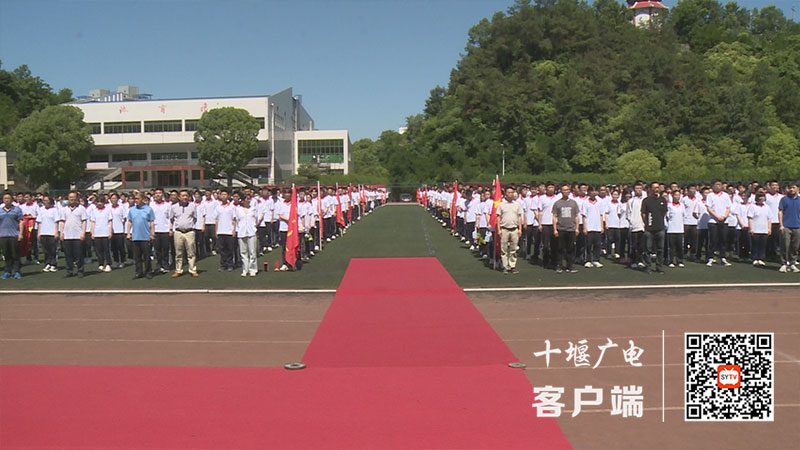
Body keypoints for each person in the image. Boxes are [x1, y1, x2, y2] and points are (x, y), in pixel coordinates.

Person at [126, 192, 155, 279]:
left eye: (138, 199)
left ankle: (148, 271)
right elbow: (129, 222)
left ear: (142, 199)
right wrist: (128, 233)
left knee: (146, 256)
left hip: (145, 236)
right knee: (137, 257)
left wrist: (152, 234)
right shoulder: (132, 210)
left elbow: (152, 222)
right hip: (135, 237)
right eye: (135, 199)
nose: (136, 200)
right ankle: (138, 272)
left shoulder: (148, 209)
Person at [170, 189, 198, 278]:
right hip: (178, 232)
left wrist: (189, 225)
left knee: (191, 252)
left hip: (189, 232)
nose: (185, 197)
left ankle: (192, 269)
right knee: (178, 253)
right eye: (183, 196)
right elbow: (171, 219)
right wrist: (171, 229)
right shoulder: (174, 207)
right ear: (179, 197)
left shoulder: (192, 206)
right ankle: (178, 270)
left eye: (186, 195)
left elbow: (195, 218)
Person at [59, 191, 87, 278]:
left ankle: (80, 270)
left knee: (79, 254)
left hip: (77, 235)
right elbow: (62, 222)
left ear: (76, 199)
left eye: (73, 197)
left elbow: (84, 221)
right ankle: (69, 271)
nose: (72, 199)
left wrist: (83, 233)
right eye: (70, 197)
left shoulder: (81, 208)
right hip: (67, 235)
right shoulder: (64, 209)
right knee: (68, 255)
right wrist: (61, 233)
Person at [641, 181, 667, 274]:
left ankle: (659, 266)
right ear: (651, 189)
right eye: (655, 187)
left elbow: (664, 213)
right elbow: (643, 214)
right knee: (648, 249)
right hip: (649, 229)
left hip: (660, 228)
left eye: (658, 187)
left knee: (660, 249)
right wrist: (647, 224)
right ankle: (648, 266)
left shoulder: (663, 200)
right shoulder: (646, 201)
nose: (657, 189)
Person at [496, 186, 523, 274]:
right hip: (504, 229)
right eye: (509, 193)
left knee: (513, 248)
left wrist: (520, 229)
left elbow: (519, 217)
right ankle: (505, 266)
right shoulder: (501, 205)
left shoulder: (517, 205)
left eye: (512, 192)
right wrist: (499, 229)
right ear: (505, 194)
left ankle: (512, 266)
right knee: (504, 249)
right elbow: (498, 217)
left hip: (514, 229)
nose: (511, 194)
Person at [553, 183, 579, 273]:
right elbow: (555, 216)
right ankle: (559, 265)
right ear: (561, 191)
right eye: (564, 190)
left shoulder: (573, 203)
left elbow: (576, 216)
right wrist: (555, 229)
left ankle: (570, 266)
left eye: (567, 190)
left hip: (571, 228)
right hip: (561, 228)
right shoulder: (557, 203)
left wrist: (577, 228)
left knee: (570, 248)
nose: (566, 192)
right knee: (560, 248)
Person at [706, 180, 732, 267]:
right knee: (713, 240)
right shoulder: (710, 195)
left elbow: (728, 208)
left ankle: (722, 258)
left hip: (724, 221)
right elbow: (709, 208)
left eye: (719, 185)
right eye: (716, 184)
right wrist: (717, 217)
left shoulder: (725, 195)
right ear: (713, 186)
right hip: (713, 221)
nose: (718, 186)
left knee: (723, 240)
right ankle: (710, 257)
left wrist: (724, 216)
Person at [235, 192, 260, 277]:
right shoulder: (238, 209)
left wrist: (253, 227)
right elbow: (236, 220)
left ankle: (252, 269)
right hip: (241, 232)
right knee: (243, 252)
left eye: (249, 199)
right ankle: (245, 269)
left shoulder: (253, 209)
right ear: (242, 200)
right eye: (246, 199)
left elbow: (256, 220)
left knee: (252, 252)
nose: (247, 200)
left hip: (251, 232)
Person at [0, 192, 24, 279]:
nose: (7, 200)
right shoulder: (0, 210)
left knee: (15, 254)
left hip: (14, 235)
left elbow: (21, 222)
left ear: (11, 200)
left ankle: (17, 271)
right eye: (5, 198)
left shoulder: (17, 209)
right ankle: (7, 271)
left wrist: (20, 233)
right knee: (6, 254)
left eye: (8, 198)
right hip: (3, 236)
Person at [777, 182, 800, 273]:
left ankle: (792, 263)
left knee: (795, 246)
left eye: (793, 188)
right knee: (785, 245)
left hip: (797, 226)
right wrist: (781, 224)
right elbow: (780, 211)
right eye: (790, 188)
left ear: (797, 189)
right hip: (786, 226)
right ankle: (783, 263)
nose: (791, 190)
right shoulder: (784, 199)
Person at [580, 186, 605, 268]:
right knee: (588, 245)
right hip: (589, 227)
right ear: (589, 192)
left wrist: (602, 226)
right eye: (592, 191)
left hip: (597, 227)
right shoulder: (585, 202)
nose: (594, 193)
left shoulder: (600, 202)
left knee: (597, 245)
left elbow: (601, 215)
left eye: (595, 191)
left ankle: (596, 260)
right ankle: (587, 260)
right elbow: (584, 216)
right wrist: (584, 227)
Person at [150, 188, 172, 274]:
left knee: (165, 249)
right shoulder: (151, 205)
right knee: (157, 249)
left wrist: (170, 229)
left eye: (160, 193)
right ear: (154, 195)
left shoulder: (167, 205)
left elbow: (171, 218)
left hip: (165, 230)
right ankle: (159, 265)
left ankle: (166, 265)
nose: (158, 195)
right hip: (155, 230)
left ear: (162, 194)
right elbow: (150, 219)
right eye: (156, 193)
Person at [36, 195, 60, 272]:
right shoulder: (41, 210)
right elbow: (39, 222)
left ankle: (53, 264)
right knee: (45, 250)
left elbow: (56, 222)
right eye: (44, 201)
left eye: (46, 200)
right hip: (43, 233)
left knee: (52, 250)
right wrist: (39, 232)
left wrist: (56, 232)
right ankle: (47, 263)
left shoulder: (54, 210)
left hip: (51, 233)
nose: (45, 202)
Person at [747, 192, 771, 267]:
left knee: (763, 245)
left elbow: (769, 219)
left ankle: (761, 258)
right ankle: (755, 258)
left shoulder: (767, 207)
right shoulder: (752, 206)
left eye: (762, 196)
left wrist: (769, 228)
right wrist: (751, 228)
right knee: (755, 244)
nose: (761, 198)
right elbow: (750, 218)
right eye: (759, 196)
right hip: (755, 229)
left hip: (764, 229)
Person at [215, 189, 236, 272]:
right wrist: (216, 231)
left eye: (225, 194)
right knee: (222, 249)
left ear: (228, 196)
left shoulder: (232, 207)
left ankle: (230, 264)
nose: (223, 196)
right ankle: (223, 265)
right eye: (222, 194)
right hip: (221, 231)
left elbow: (234, 219)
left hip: (229, 231)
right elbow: (216, 220)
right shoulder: (218, 207)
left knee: (230, 249)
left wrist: (234, 230)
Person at [90, 196, 113, 272]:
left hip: (105, 233)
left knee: (107, 250)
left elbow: (110, 221)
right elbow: (93, 222)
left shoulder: (107, 210)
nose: (99, 204)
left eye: (101, 202)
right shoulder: (94, 211)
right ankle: (101, 264)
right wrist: (92, 232)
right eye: (98, 202)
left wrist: (110, 232)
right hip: (97, 233)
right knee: (99, 250)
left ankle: (108, 264)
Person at [666, 189, 685, 268]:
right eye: (675, 195)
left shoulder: (682, 205)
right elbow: (667, 216)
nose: (677, 197)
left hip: (680, 229)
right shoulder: (669, 205)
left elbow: (683, 215)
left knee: (680, 247)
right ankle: (670, 261)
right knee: (671, 247)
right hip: (671, 229)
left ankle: (679, 260)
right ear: (672, 196)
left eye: (678, 195)